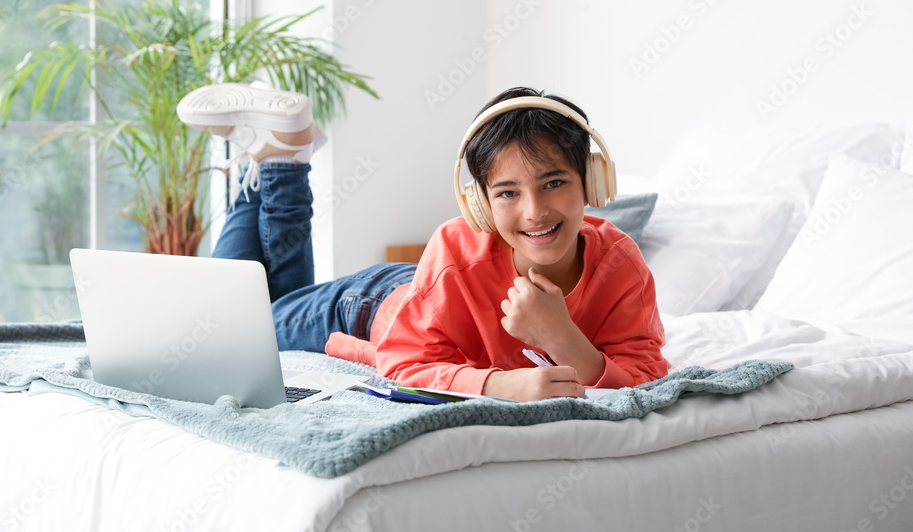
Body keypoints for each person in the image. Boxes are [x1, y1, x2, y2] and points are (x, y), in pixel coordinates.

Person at [177, 83, 669, 402]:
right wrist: (498, 385)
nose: (535, 211)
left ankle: (273, 156)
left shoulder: (621, 264)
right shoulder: (457, 247)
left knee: (252, 308)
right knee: (227, 323)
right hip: (371, 306)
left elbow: (646, 374)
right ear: (480, 203)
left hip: (427, 291)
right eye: (507, 193)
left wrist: (562, 339)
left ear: (593, 182)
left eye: (555, 183)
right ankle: (282, 163)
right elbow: (404, 360)